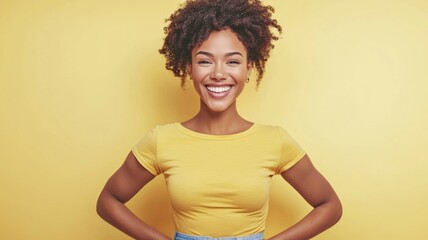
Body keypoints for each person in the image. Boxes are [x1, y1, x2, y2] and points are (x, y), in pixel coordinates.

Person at [96, 0, 342, 239]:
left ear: (248, 69)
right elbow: (108, 201)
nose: (218, 74)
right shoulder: (161, 140)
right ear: (189, 68)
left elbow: (329, 205)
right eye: (205, 61)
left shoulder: (275, 141)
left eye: (233, 61)